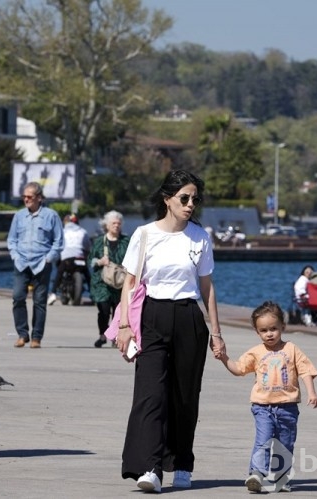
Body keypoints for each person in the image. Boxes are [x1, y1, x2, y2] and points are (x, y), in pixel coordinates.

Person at [116, 170, 224, 493]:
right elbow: (130, 283)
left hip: (189, 318)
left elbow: (207, 288)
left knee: (185, 396)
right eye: (184, 198)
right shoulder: (144, 234)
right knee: (150, 395)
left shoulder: (200, 237)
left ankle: (181, 463)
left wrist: (216, 332)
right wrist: (124, 325)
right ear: (168, 200)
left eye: (194, 199)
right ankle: (149, 467)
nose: (191, 204)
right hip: (152, 316)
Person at [217, 301, 317, 493]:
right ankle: (256, 473)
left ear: (283, 326)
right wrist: (224, 358)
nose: (269, 334)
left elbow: (305, 370)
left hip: (288, 407)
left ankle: (281, 478)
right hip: (262, 406)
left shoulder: (291, 349)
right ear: (257, 332)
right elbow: (239, 369)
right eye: (263, 330)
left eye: (273, 329)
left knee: (285, 444)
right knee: (263, 440)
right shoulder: (256, 352)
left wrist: (311, 392)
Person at [7, 182, 63, 348]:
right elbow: (11, 239)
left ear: (39, 198)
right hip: (21, 263)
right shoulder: (19, 216)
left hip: (41, 264)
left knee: (39, 301)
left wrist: (49, 259)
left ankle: (36, 337)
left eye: (29, 197)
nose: (26, 199)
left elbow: (58, 241)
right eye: (24, 197)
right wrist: (15, 256)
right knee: (18, 297)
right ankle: (22, 334)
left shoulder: (51, 215)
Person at [88, 210, 130, 347]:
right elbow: (91, 260)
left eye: (118, 223)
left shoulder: (126, 241)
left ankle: (115, 337)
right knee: (104, 310)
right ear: (106, 225)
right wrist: (100, 261)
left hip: (120, 282)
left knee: (118, 311)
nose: (116, 226)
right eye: (113, 223)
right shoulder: (100, 241)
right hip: (102, 283)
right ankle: (102, 335)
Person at [49, 213, 90, 305]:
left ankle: (53, 293)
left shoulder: (62, 232)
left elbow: (57, 246)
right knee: (87, 275)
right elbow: (88, 247)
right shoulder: (83, 231)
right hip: (81, 258)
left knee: (59, 273)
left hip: (67, 259)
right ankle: (93, 293)